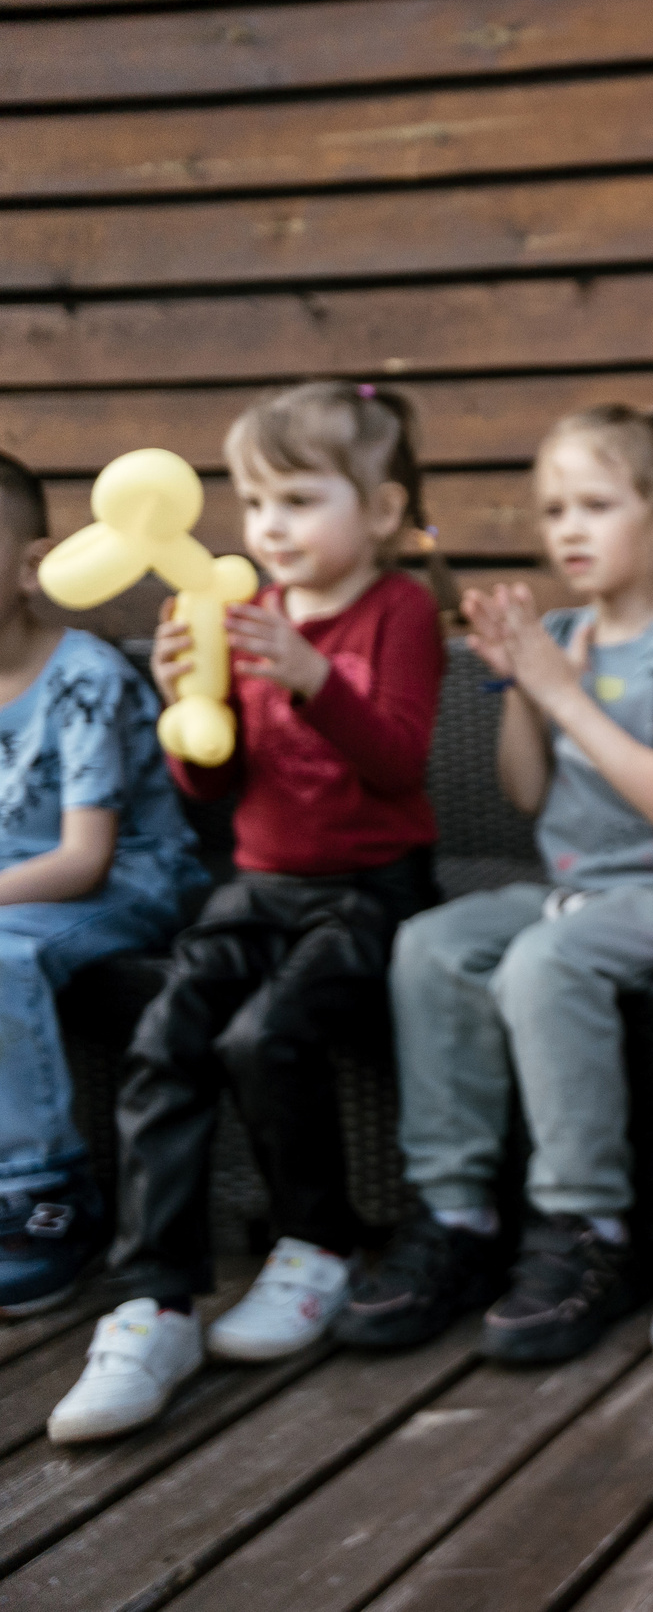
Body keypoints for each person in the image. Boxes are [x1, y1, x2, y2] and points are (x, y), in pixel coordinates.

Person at [52, 381, 451, 1444]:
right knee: (167, 1037)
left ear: (378, 511)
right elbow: (210, 796)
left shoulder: (398, 610)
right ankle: (155, 1302)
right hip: (258, 884)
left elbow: (399, 761)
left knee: (265, 1036)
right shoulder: (237, 612)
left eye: (298, 499)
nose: (268, 525)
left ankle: (316, 1245)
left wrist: (318, 676)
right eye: (255, 501)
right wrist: (195, 716)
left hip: (369, 889)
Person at [345, 405, 653, 1362]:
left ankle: (587, 1226)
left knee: (542, 962)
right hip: (570, 882)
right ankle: (457, 1213)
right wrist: (523, 687)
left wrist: (560, 688)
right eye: (554, 507)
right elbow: (529, 793)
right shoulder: (562, 632)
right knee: (431, 944)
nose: (568, 527)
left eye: (596, 504)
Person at [0, 452, 206, 1317]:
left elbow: (85, 858)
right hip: (22, 892)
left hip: (127, 881)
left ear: (28, 565)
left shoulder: (84, 676)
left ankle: (47, 1196)